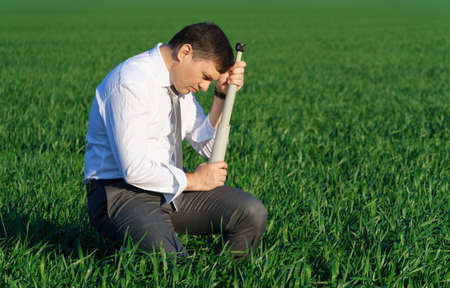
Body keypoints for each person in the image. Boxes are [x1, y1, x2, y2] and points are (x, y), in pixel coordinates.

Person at [84, 22, 267, 258]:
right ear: (185, 53)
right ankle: (135, 247)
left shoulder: (179, 86)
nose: (203, 86)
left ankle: (225, 276)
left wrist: (222, 96)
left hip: (169, 188)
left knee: (251, 213)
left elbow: (208, 147)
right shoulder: (130, 84)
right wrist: (194, 180)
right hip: (119, 193)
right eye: (204, 76)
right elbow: (133, 170)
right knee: (174, 265)